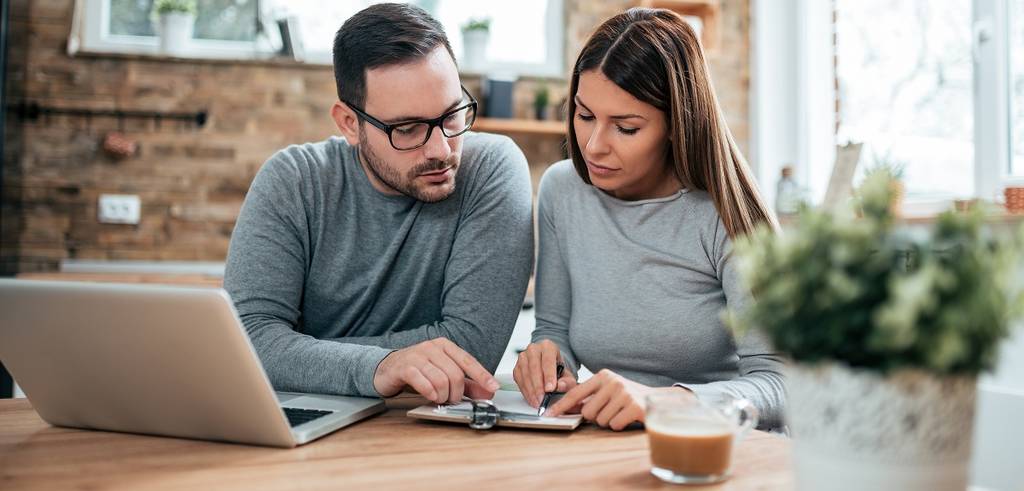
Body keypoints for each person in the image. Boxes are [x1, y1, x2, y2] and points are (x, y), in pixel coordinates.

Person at [224, 3, 534, 405]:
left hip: (427, 429)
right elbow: (248, 341)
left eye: (453, 115)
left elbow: (471, 349)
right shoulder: (295, 181)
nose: (441, 149)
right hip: (302, 421)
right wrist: (381, 365)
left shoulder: (491, 169)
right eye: (407, 129)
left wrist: (302, 354)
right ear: (350, 124)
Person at [513, 8, 785, 431]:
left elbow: (781, 384)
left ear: (677, 125)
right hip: (616, 445)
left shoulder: (727, 213)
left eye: (625, 127)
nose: (593, 146)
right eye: (584, 116)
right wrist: (548, 361)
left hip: (720, 451)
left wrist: (664, 402)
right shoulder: (562, 192)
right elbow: (553, 330)